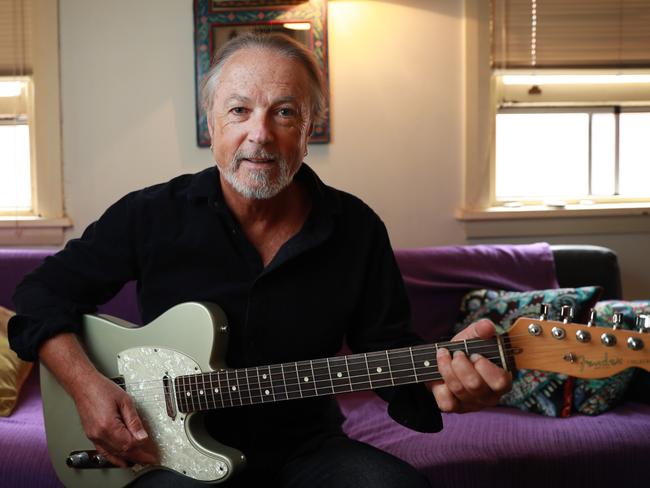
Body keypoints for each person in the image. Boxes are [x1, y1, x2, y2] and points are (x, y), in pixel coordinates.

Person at [8, 33, 511, 487]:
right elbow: (39, 295)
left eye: (285, 112)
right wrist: (87, 388)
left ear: (310, 126)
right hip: (165, 453)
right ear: (212, 122)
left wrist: (446, 382)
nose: (261, 134)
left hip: (307, 450)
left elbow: (388, 344)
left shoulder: (356, 228)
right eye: (239, 110)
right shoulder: (150, 214)